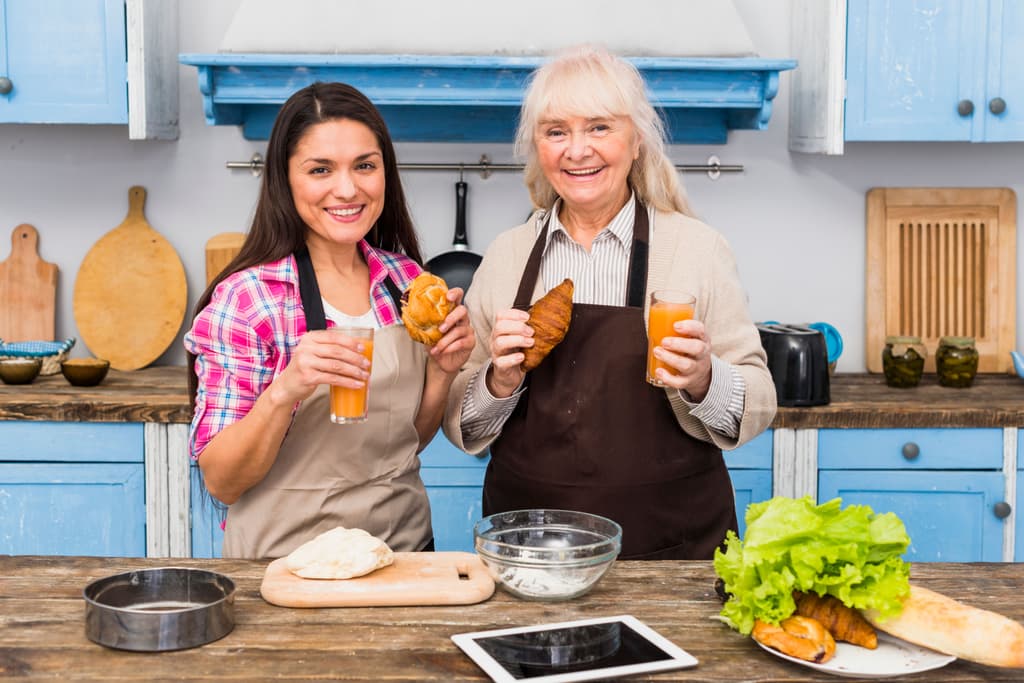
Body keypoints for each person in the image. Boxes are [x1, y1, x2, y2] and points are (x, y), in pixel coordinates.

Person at [443, 45, 776, 560]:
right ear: (538, 146)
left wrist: (704, 378)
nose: (578, 151)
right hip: (535, 548)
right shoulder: (509, 257)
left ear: (636, 140)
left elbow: (758, 399)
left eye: (599, 127)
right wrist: (498, 382)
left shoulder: (696, 249)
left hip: (671, 546)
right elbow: (460, 422)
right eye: (556, 131)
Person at [185, 82, 475, 559]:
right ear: (286, 179)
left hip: (402, 555)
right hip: (289, 567)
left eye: (365, 165)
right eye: (321, 169)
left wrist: (442, 371)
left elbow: (404, 442)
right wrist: (286, 390)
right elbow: (222, 481)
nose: (347, 188)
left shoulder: (404, 281)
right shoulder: (249, 299)